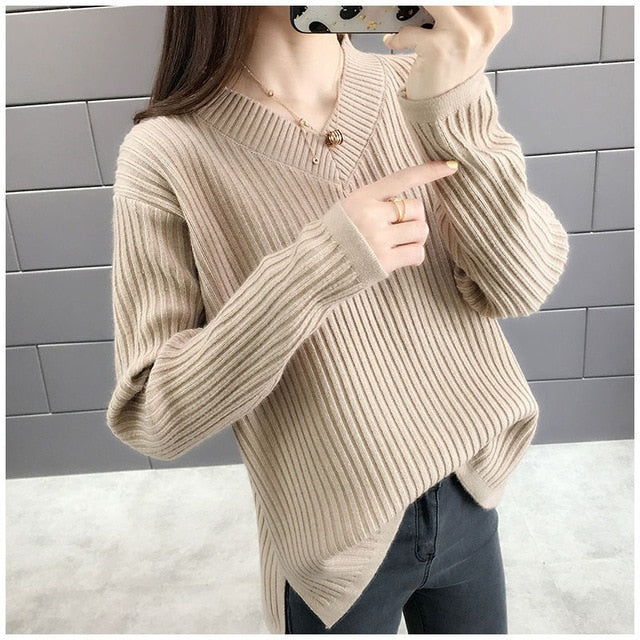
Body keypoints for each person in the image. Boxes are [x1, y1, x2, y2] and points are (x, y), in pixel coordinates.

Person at [106, 5, 569, 635]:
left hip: (469, 495)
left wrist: (457, 110)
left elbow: (523, 283)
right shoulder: (166, 152)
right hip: (331, 550)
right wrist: (319, 264)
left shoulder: (420, 85)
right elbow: (152, 417)